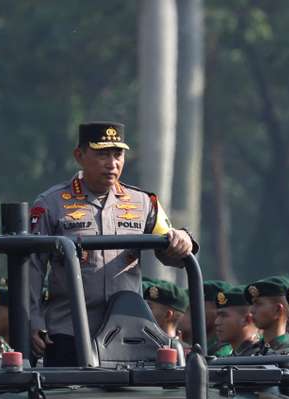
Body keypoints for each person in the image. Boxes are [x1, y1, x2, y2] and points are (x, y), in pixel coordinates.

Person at [28, 122, 194, 366]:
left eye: (118, 154)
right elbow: (31, 268)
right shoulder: (51, 203)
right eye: (102, 154)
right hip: (69, 331)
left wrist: (182, 239)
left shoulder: (144, 203)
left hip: (128, 334)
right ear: (79, 155)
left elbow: (171, 255)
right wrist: (33, 320)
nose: (112, 163)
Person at [246, 276, 289, 355]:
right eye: (252, 304)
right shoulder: (250, 352)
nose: (251, 311)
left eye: (258, 304)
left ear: (277, 310)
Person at [213, 286, 263, 355]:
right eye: (218, 316)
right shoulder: (230, 355)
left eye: (224, 315)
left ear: (247, 320)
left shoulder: (262, 358)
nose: (216, 322)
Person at [143, 278, 189, 343]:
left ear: (168, 315)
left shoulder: (182, 352)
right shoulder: (144, 343)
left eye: (150, 307)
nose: (144, 310)